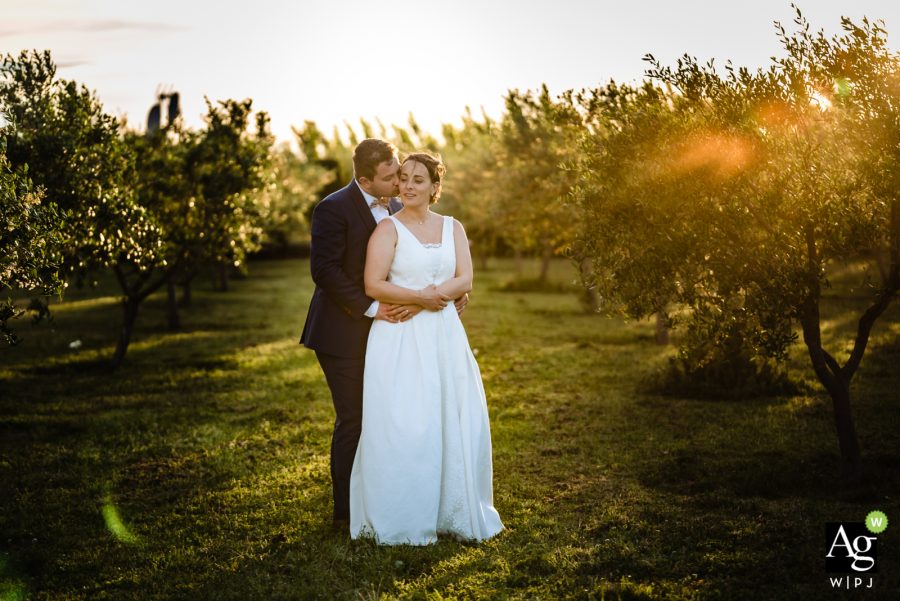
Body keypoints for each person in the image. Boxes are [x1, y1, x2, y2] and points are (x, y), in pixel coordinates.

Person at [300, 139, 467, 530]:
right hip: (342, 331)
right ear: (365, 179)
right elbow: (324, 271)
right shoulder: (332, 209)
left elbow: (418, 255)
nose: (400, 184)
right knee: (355, 418)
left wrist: (456, 289)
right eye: (391, 177)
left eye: (403, 175)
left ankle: (390, 493)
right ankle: (345, 512)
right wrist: (376, 308)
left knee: (391, 415)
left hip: (393, 334)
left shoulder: (397, 205)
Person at [349, 152, 503, 545]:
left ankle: (452, 510)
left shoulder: (454, 227)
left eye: (418, 179)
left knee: (451, 415)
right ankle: (403, 514)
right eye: (403, 178)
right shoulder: (387, 229)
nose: (408, 185)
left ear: (435, 187)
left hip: (445, 336)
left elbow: (465, 278)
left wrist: (438, 296)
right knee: (407, 422)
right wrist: (422, 298)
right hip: (400, 337)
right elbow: (373, 284)